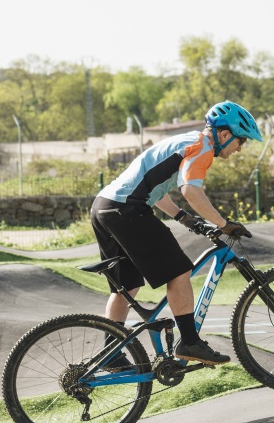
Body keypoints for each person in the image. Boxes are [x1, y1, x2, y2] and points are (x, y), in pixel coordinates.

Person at [89, 100, 262, 366]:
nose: (240, 148)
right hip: (127, 210)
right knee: (179, 271)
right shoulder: (202, 148)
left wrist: (183, 217)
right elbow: (191, 191)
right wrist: (222, 224)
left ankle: (110, 353)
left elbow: (153, 189)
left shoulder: (186, 141)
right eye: (241, 141)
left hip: (104, 206)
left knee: (127, 286)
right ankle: (190, 342)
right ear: (225, 134)